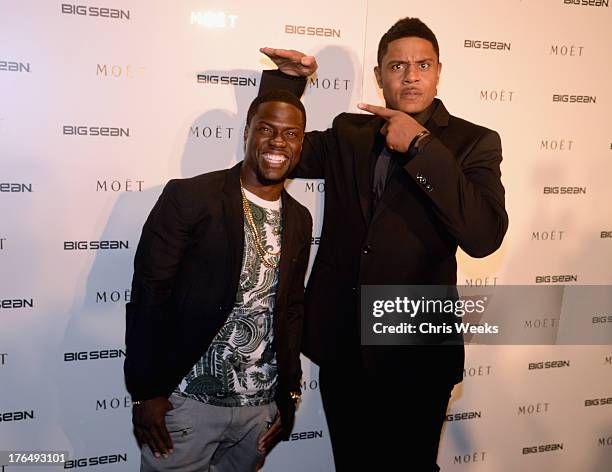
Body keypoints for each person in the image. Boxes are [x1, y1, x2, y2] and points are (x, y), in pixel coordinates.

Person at [258, 17, 508, 471]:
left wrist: (422, 147)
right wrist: (285, 88)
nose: (410, 75)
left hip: (418, 353)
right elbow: (278, 154)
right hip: (344, 348)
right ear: (379, 76)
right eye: (397, 65)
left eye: (422, 64)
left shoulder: (474, 143)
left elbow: (484, 236)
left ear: (437, 71)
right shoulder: (349, 134)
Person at [124, 90, 312, 471]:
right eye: (266, 129)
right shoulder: (191, 197)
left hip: (258, 411)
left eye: (291, 134)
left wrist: (288, 393)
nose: (278, 142)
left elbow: (290, 309)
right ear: (247, 133)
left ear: (302, 144)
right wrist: (146, 393)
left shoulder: (301, 217)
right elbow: (149, 295)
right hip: (186, 404)